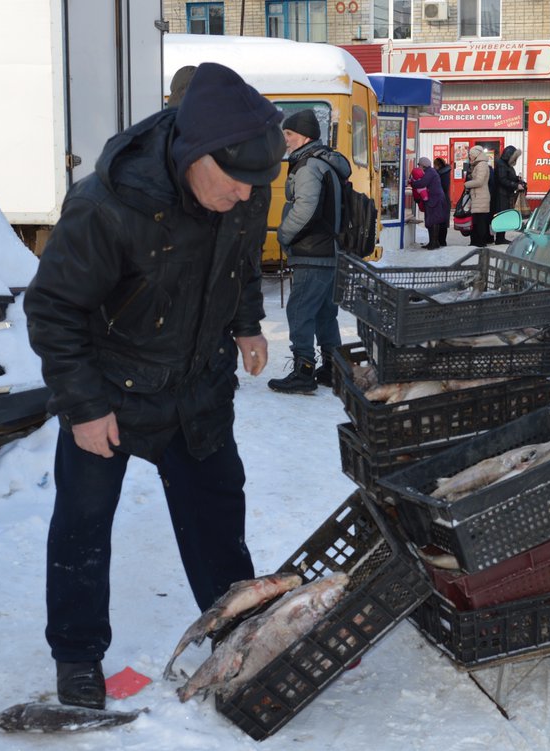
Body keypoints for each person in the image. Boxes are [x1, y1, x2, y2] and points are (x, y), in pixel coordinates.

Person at [23, 62, 285, 710]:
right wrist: (83, 406)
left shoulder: (240, 185)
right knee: (83, 527)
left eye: (259, 184)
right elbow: (53, 309)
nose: (250, 198)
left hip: (196, 384)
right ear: (195, 156)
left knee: (218, 514)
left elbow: (240, 261)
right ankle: (78, 657)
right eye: (236, 184)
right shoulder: (108, 205)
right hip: (109, 386)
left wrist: (248, 323)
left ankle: (233, 635)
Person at [268, 108, 351, 394]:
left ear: (303, 135)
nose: (286, 140)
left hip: (313, 250)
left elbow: (306, 207)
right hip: (329, 249)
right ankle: (332, 368)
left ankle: (303, 371)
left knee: (300, 310)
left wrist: (284, 234)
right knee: (324, 313)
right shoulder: (326, 162)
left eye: (289, 134)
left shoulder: (308, 166)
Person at [491, 145, 526, 244]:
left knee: (503, 215)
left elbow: (507, 176)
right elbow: (502, 180)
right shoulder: (502, 164)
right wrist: (515, 185)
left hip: (504, 194)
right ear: (509, 156)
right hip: (501, 195)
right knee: (502, 216)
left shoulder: (505, 164)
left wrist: (517, 179)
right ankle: (499, 238)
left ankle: (501, 237)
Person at [410, 160, 448, 250]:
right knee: (430, 221)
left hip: (435, 199)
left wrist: (411, 183)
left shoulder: (430, 172)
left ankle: (434, 243)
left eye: (419, 164)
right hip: (433, 199)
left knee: (433, 221)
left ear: (423, 165)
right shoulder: (429, 171)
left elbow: (422, 183)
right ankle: (433, 242)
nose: (418, 166)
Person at [464, 145, 493, 247]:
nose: (470, 157)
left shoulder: (482, 165)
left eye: (471, 155)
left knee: (480, 221)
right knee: (476, 221)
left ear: (476, 155)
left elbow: (480, 181)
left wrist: (467, 184)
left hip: (481, 197)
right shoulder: (478, 165)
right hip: (478, 196)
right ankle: (476, 242)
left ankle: (480, 242)